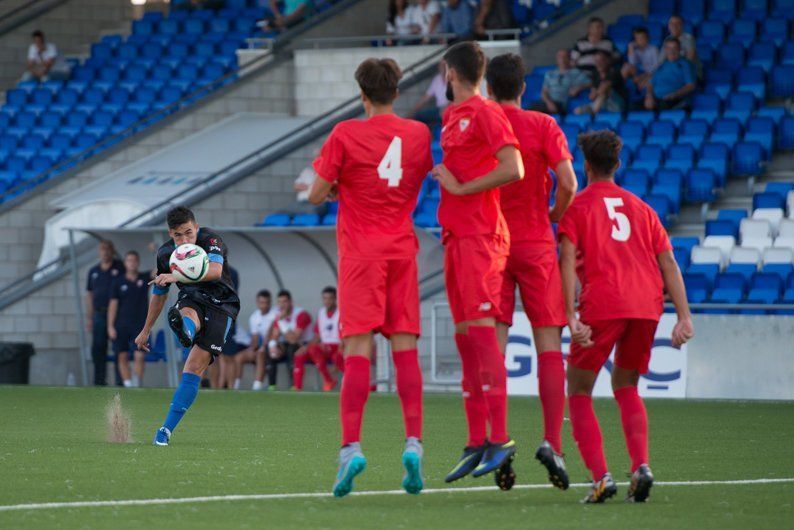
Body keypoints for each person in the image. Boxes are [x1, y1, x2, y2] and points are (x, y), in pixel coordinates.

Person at [308, 57, 433, 497]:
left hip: (361, 254)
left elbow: (315, 194)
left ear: (362, 94)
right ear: (396, 92)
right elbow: (411, 181)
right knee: (406, 351)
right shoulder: (419, 134)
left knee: (357, 350)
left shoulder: (345, 133)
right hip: (402, 249)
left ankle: (351, 448)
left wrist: (339, 185)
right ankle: (414, 444)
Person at [557, 130, 694, 503]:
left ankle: (601, 478)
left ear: (585, 165)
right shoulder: (641, 208)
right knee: (626, 386)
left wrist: (570, 316)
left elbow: (566, 260)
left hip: (603, 304)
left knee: (579, 390)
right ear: (617, 165)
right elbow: (668, 262)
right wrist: (683, 316)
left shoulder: (578, 207)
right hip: (646, 307)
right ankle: (641, 467)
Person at [430, 41, 524, 484]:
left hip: (483, 236)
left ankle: (501, 438)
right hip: (457, 236)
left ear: (450, 72)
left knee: (484, 338)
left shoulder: (487, 111)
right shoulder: (451, 117)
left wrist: (464, 189)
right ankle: (476, 440)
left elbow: (514, 167)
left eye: (442, 71)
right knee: (466, 339)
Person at [485, 53, 578, 491]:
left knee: (494, 347)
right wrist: (553, 216)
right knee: (548, 344)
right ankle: (552, 442)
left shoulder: (482, 123)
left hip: (492, 245)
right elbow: (570, 183)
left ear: (489, 87)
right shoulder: (543, 125)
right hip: (537, 242)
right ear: (523, 87)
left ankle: (498, 440)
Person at [135, 206, 240, 446]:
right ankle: (186, 330)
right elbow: (159, 293)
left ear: (196, 226)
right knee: (187, 312)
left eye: (188, 233)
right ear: (170, 233)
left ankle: (186, 331)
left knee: (193, 368)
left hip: (223, 305)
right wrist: (145, 330)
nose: (185, 240)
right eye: (178, 235)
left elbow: (215, 271)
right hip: (193, 298)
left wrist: (176, 276)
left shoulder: (211, 239)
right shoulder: (165, 254)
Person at [107, 251, 150, 388]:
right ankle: (128, 384)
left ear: (138, 262)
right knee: (122, 356)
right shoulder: (118, 282)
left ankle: (137, 384)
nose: (132, 263)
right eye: (129, 260)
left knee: (139, 356)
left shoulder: (144, 278)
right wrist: (110, 326)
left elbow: (160, 271)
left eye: (134, 260)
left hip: (140, 326)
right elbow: (113, 305)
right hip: (121, 325)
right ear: (125, 263)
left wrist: (155, 250)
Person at [85, 240, 124, 386]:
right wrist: (89, 317)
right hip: (99, 315)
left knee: (119, 349)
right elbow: (90, 295)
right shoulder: (93, 271)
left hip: (117, 315)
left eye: (108, 249)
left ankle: (120, 382)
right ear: (99, 251)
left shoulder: (120, 268)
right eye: (102, 249)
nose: (105, 252)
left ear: (112, 251)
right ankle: (99, 382)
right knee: (98, 348)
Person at [293, 286, 341, 392]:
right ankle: (297, 388)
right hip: (324, 347)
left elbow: (345, 337)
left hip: (338, 347)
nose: (327, 301)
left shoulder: (341, 313)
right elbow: (317, 335)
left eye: (330, 298)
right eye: (324, 298)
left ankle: (329, 380)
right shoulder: (321, 312)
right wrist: (306, 347)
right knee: (299, 355)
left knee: (315, 350)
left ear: (335, 299)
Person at [267, 290, 312, 390]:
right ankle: (272, 385)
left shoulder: (301, 314)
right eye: (279, 302)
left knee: (291, 348)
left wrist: (281, 322)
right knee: (270, 349)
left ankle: (294, 385)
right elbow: (275, 335)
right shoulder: (279, 315)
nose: (282, 305)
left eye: (285, 302)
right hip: (288, 343)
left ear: (291, 302)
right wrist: (272, 346)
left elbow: (294, 339)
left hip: (304, 345)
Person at [235, 290, 278, 390]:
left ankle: (257, 386)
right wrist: (252, 348)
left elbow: (272, 334)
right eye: (262, 302)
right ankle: (235, 386)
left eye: (266, 302)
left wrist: (262, 347)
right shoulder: (254, 316)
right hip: (261, 346)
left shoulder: (275, 314)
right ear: (257, 303)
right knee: (239, 357)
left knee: (260, 354)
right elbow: (254, 337)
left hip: (275, 345)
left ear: (270, 302)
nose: (264, 305)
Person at [644, 38, 696, 111]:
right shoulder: (662, 65)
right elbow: (650, 84)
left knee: (662, 108)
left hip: (673, 99)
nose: (672, 51)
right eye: (669, 48)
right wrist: (649, 96)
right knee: (633, 107)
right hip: (655, 99)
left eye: (675, 48)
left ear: (680, 49)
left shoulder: (686, 65)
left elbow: (691, 86)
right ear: (665, 50)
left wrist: (675, 94)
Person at [573, 51, 626, 115]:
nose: (598, 63)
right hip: (601, 104)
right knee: (577, 110)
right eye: (596, 61)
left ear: (607, 61)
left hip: (617, 105)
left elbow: (604, 88)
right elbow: (592, 96)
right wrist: (594, 93)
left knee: (604, 92)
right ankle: (593, 113)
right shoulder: (595, 74)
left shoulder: (614, 72)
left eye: (601, 60)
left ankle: (593, 114)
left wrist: (596, 93)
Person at [409, 61, 449, 127]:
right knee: (417, 116)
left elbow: (456, 97)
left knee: (438, 128)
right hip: (438, 110)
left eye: (445, 65)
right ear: (439, 67)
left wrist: (446, 107)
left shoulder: (453, 78)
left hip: (450, 110)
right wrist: (412, 111)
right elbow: (425, 98)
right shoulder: (437, 79)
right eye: (441, 65)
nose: (443, 68)